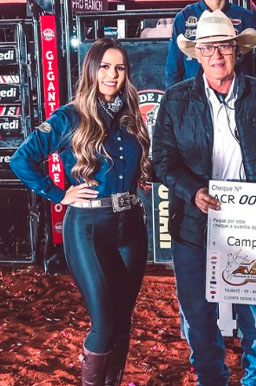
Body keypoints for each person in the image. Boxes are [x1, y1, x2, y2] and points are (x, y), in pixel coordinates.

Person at [10, 38, 152, 386]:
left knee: (122, 320)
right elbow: (21, 159)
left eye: (119, 68)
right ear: (92, 69)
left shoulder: (131, 116)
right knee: (103, 324)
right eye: (105, 66)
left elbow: (141, 166)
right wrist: (58, 193)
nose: (112, 75)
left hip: (131, 227)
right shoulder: (70, 116)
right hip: (89, 228)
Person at [153, 10, 256, 386]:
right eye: (208, 48)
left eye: (223, 46)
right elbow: (162, 160)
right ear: (196, 54)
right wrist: (192, 190)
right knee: (198, 313)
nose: (216, 55)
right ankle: (211, 379)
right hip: (194, 223)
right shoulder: (176, 100)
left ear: (237, 50)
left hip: (252, 222)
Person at [165, 0, 256, 87]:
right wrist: (176, 101)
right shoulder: (184, 17)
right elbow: (173, 70)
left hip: (240, 94)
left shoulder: (247, 17)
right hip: (195, 97)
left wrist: (255, 87)